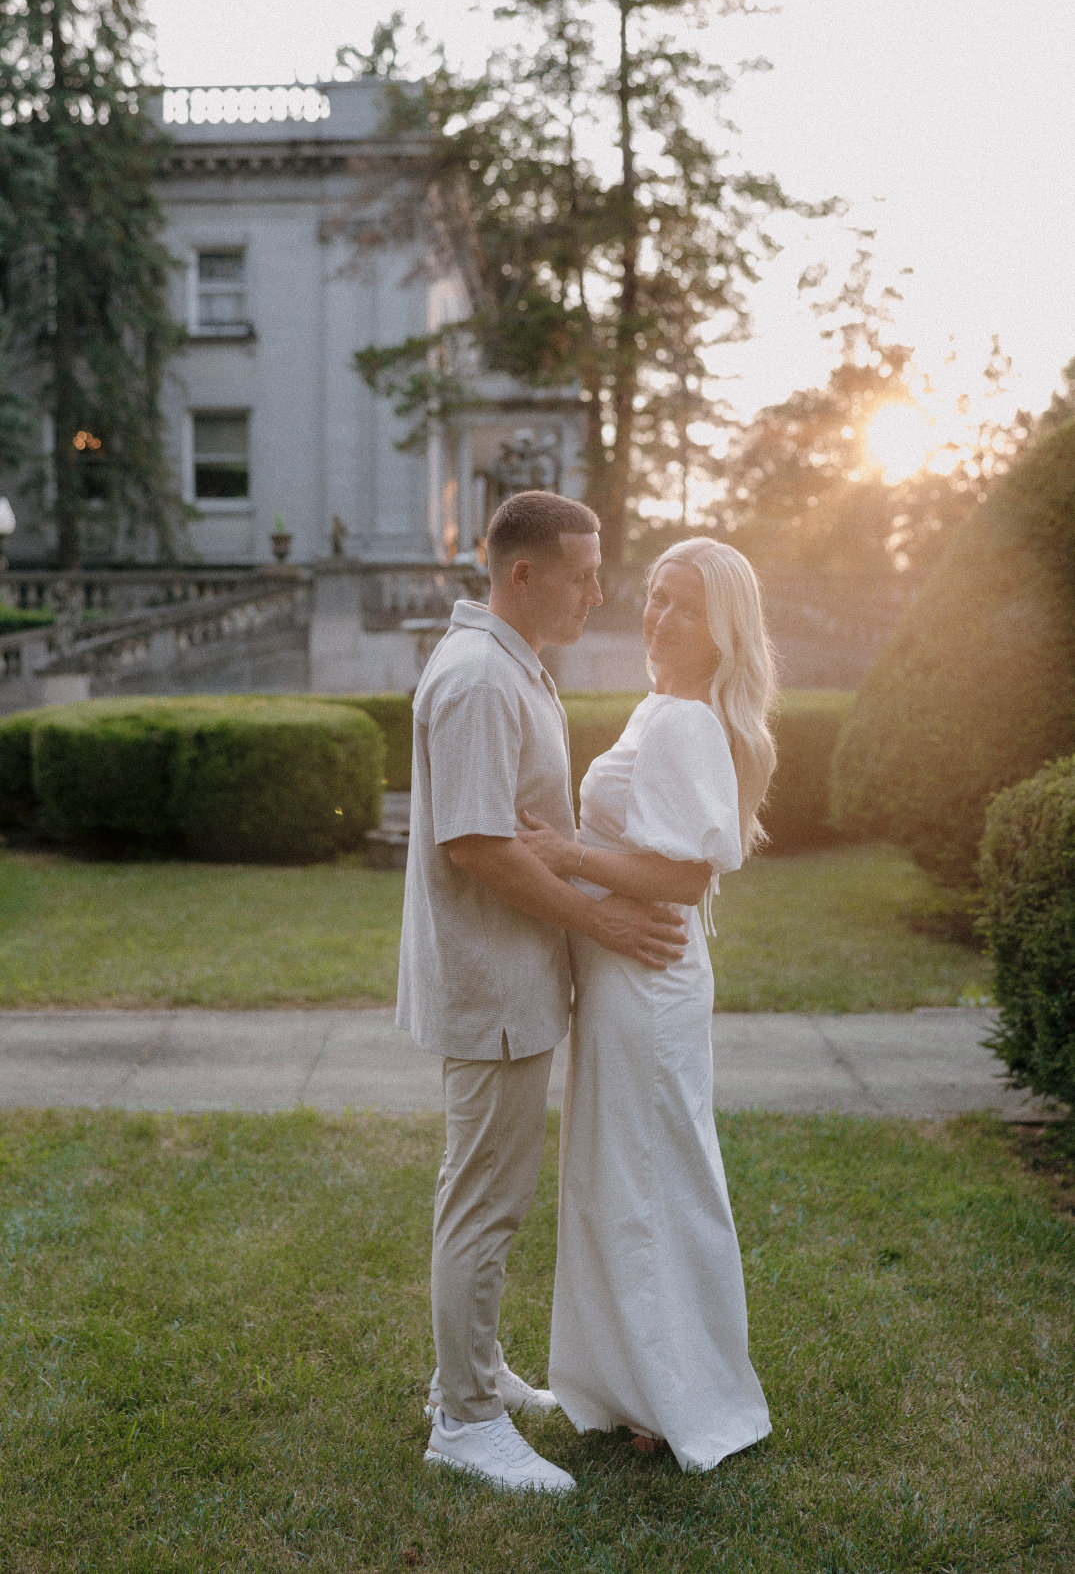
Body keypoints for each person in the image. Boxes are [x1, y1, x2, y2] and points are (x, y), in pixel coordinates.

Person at [397, 490, 689, 1495]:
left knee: (487, 1196)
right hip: (492, 983)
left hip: (512, 978)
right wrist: (606, 919)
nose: (599, 593)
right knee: (483, 1204)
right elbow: (477, 846)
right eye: (582, 574)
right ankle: (464, 1421)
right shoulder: (479, 674)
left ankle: (470, 1376)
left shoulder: (508, 664)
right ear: (521, 574)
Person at [517, 537, 776, 1471]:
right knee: (619, 1177)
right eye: (655, 597)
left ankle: (680, 1397)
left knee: (651, 1181)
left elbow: (681, 872)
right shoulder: (661, 709)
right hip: (628, 978)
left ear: (721, 633)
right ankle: (630, 1385)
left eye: (683, 607)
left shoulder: (684, 724)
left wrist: (567, 858)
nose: (657, 617)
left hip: (649, 978)